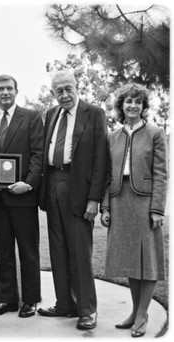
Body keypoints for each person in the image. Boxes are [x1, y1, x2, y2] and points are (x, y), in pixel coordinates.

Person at [38, 70, 107, 330]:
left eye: (68, 89)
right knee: (58, 248)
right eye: (59, 91)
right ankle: (65, 303)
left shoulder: (94, 113)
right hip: (53, 183)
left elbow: (101, 159)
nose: (65, 95)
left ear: (77, 87)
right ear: (53, 93)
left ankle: (87, 310)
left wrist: (94, 199)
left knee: (80, 251)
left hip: (78, 187)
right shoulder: (51, 114)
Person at [100, 83, 167, 338]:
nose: (133, 105)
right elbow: (107, 174)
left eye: (138, 102)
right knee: (130, 260)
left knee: (147, 260)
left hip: (145, 203)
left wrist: (157, 209)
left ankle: (142, 315)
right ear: (121, 106)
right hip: (119, 200)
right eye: (128, 101)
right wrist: (105, 206)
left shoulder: (155, 133)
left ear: (143, 107)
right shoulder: (112, 136)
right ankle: (135, 311)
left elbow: (161, 174)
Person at [0, 74, 44, 318]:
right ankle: (7, 300)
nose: (4, 93)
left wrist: (28, 183)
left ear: (16, 91)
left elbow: (38, 154)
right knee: (3, 250)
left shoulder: (32, 117)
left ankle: (30, 300)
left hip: (23, 197)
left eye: (8, 88)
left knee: (28, 250)